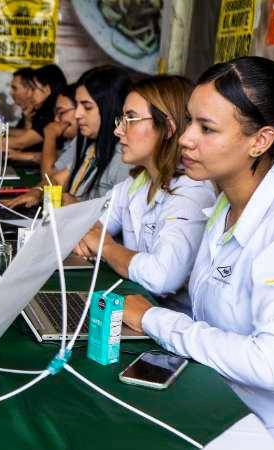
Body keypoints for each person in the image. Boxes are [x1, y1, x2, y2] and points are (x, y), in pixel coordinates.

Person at [120, 56, 274, 449]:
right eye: (190, 121)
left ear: (260, 140)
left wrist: (155, 321)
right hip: (225, 412)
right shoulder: (223, 207)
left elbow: (271, 364)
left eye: (206, 128)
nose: (185, 139)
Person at [71, 75, 214, 300]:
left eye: (131, 118)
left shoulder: (193, 191)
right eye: (122, 119)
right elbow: (89, 224)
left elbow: (161, 277)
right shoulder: (137, 183)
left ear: (167, 127)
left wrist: (106, 247)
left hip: (169, 319)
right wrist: (88, 235)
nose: (118, 131)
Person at [3, 65, 135, 207]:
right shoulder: (90, 143)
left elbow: (118, 220)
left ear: (110, 107)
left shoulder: (125, 156)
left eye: (87, 107)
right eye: (77, 105)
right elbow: (59, 178)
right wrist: (37, 191)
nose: (78, 114)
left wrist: (78, 207)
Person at [0, 64, 67, 160]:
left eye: (34, 89)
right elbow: (25, 134)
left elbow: (20, 142)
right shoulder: (43, 110)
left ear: (47, 90)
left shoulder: (50, 114)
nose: (30, 94)